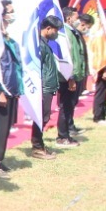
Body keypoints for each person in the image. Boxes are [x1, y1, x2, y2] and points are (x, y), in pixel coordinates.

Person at [0, 0, 21, 175]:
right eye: (9, 12)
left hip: (12, 88)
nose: (12, 15)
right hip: (1, 91)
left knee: (5, 127)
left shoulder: (8, 38)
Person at [30, 16, 62, 160]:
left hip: (47, 86)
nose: (57, 34)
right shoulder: (39, 45)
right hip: (43, 88)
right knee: (41, 117)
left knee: (44, 116)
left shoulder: (44, 43)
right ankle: (37, 147)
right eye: (56, 30)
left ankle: (39, 144)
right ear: (48, 29)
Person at [55, 8, 87, 148]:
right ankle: (62, 136)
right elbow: (68, 56)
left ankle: (67, 132)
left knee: (70, 105)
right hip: (68, 77)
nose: (78, 20)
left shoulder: (73, 32)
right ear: (69, 18)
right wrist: (71, 77)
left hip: (75, 74)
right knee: (65, 106)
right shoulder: (65, 33)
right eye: (76, 17)